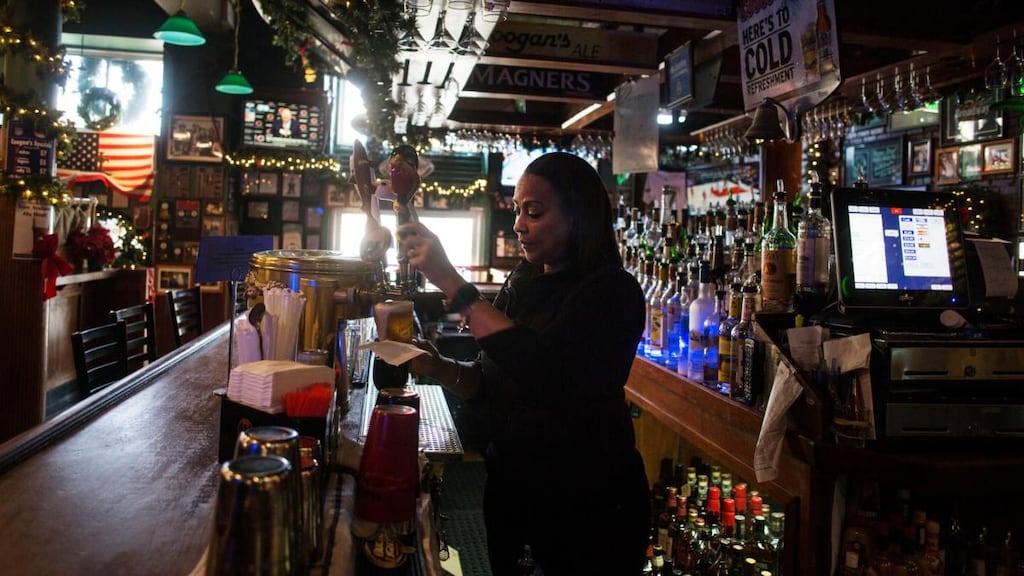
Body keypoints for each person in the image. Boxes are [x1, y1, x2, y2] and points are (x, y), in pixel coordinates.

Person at [398, 152, 650, 576]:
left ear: (578, 214)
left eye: (533, 212)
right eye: (518, 210)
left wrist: (452, 282)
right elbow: (490, 379)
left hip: (587, 505)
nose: (518, 225)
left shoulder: (612, 292)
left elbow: (542, 374)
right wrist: (438, 366)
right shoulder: (524, 279)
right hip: (514, 490)